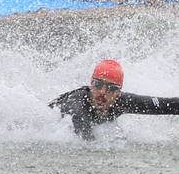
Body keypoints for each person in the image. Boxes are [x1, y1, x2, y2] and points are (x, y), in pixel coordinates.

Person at [50, 58, 179, 140]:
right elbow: (86, 146)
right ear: (91, 84)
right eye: (98, 84)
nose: (102, 92)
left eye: (111, 88)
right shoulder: (78, 106)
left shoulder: (122, 101)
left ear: (118, 92)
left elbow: (169, 105)